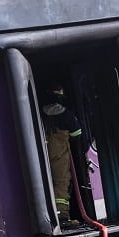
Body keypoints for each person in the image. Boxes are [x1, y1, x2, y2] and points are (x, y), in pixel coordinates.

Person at [40, 84, 82, 226]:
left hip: (42, 157)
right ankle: (62, 216)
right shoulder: (67, 115)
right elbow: (77, 134)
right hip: (60, 156)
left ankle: (47, 216)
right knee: (62, 183)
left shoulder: (39, 114)